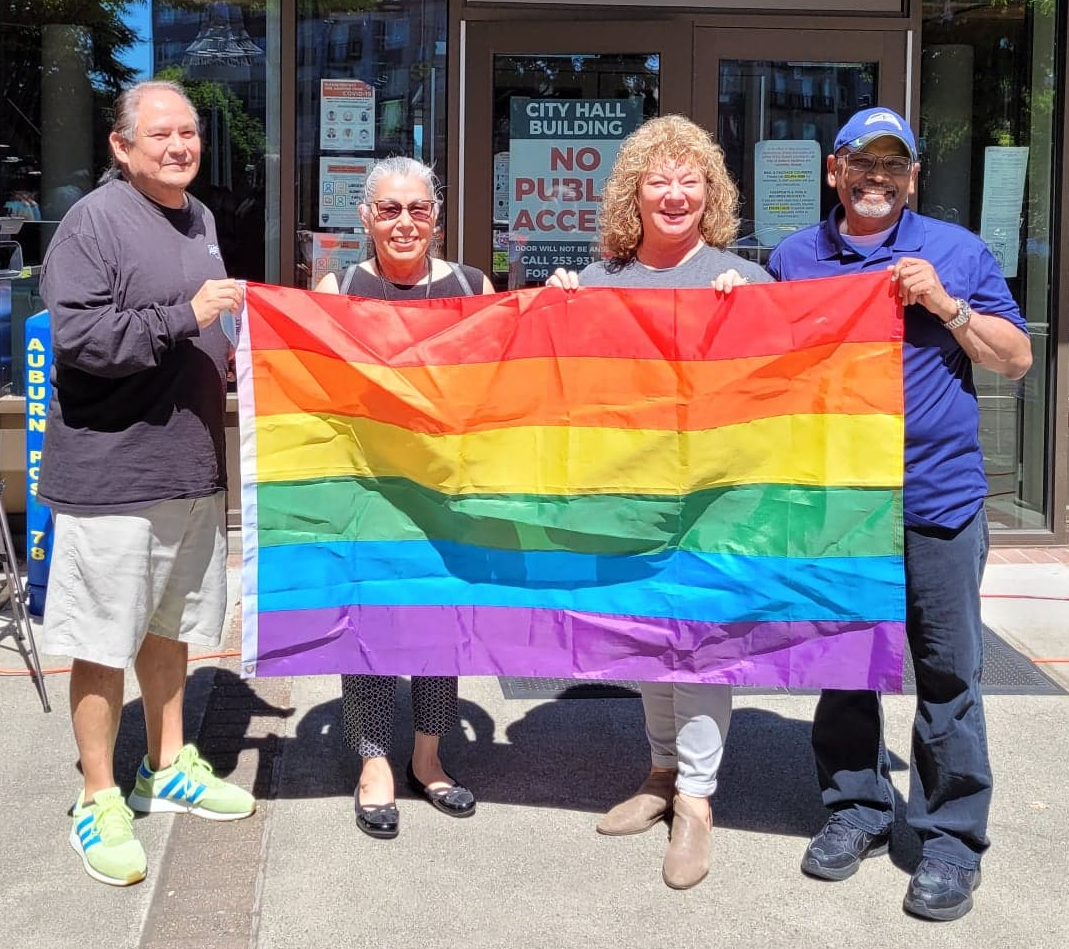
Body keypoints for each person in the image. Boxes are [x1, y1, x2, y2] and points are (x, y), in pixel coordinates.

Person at [768, 107, 1032, 921]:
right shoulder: (792, 258)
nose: (875, 178)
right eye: (861, 164)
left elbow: (1016, 358)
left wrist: (947, 306)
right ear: (833, 171)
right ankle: (854, 809)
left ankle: (950, 838)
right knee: (845, 664)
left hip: (938, 498)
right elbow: (762, 370)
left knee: (948, 672)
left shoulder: (956, 252)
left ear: (911, 177)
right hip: (837, 503)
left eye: (892, 166)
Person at [37, 80, 255, 888]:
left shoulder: (197, 219)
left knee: (171, 630)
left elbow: (203, 321)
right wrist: (187, 317)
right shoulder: (93, 223)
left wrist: (228, 344)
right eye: (160, 134)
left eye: (190, 133)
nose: (178, 145)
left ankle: (168, 767)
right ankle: (98, 794)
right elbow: (82, 337)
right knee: (101, 642)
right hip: (114, 474)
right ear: (121, 146)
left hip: (189, 468)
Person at [548, 114, 770, 890]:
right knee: (647, 638)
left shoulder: (743, 279)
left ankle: (698, 803)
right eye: (658, 179)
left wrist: (753, 315)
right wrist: (555, 309)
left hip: (714, 504)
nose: (674, 194)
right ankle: (659, 773)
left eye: (689, 180)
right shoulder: (599, 283)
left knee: (702, 641)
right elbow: (559, 389)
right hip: (630, 499)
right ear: (632, 194)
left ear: (709, 193)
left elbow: (778, 392)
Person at [315, 156, 493, 839]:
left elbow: (496, 379)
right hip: (366, 487)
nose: (403, 222)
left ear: (437, 218)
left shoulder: (472, 285)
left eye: (418, 209)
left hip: (446, 490)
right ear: (365, 217)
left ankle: (428, 756)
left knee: (438, 624)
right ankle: (372, 763)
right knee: (368, 624)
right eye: (388, 209)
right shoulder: (341, 285)